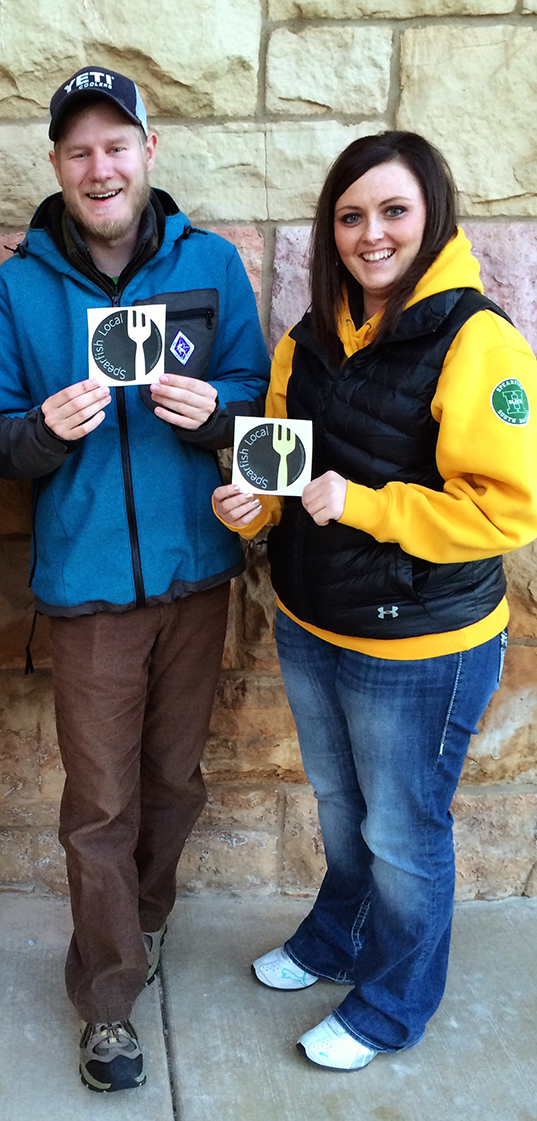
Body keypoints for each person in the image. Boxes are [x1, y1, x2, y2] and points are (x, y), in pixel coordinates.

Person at [215, 131, 537, 1070]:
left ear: (431, 214)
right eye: (351, 216)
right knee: (342, 807)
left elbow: (507, 508)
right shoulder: (307, 337)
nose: (371, 233)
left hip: (424, 643)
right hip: (313, 623)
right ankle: (336, 936)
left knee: (403, 830)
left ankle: (395, 1001)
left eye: (393, 211)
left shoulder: (478, 340)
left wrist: (367, 506)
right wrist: (249, 509)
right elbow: (278, 467)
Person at [0, 67, 269, 1091]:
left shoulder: (212, 264)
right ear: (56, 165)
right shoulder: (19, 286)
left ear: (148, 151)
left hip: (196, 579)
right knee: (97, 803)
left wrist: (218, 414)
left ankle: (136, 924)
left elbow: (254, 397)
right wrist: (41, 435)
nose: (98, 166)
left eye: (115, 144)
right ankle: (107, 998)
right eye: (76, 149)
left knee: (173, 787)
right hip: (90, 589)